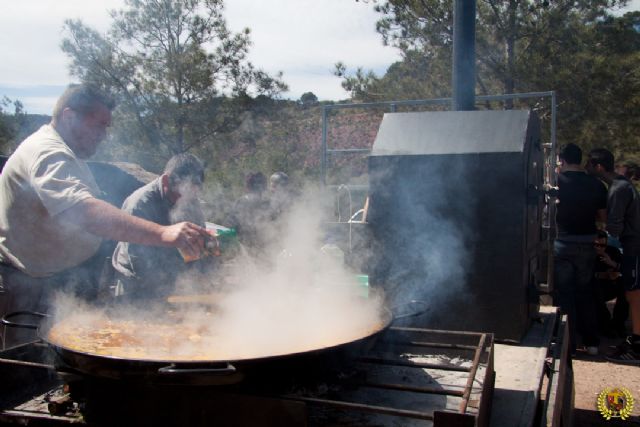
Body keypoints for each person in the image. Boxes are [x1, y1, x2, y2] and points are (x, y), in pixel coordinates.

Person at [0, 84, 209, 321]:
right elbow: (83, 210)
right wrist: (163, 233)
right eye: (99, 124)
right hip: (33, 288)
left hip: (64, 279)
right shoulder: (49, 152)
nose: (104, 134)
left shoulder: (65, 153)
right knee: (34, 355)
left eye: (107, 126)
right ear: (69, 117)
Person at [112, 153, 216, 301]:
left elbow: (199, 242)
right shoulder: (139, 204)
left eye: (192, 194)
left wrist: (208, 254)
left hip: (171, 279)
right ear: (167, 181)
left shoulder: (191, 201)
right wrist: (174, 282)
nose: (186, 201)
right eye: (182, 194)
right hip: (135, 283)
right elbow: (140, 260)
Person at [553, 143, 608, 355]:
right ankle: (592, 342)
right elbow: (602, 218)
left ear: (562, 160)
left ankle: (569, 344)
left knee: (565, 294)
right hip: (587, 243)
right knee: (585, 292)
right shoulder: (596, 184)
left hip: (562, 243)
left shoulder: (558, 183)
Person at [586, 148, 640, 365]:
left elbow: (615, 227)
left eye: (589, 165)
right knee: (631, 293)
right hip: (632, 245)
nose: (587, 169)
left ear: (599, 167)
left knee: (634, 293)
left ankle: (637, 346)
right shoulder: (622, 185)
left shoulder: (617, 189)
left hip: (634, 246)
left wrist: (596, 223)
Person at [592, 230, 628, 338]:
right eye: (596, 245)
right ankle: (605, 324)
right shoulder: (588, 254)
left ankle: (618, 322)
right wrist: (604, 275)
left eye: (602, 245)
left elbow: (624, 269)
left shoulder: (613, 252)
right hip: (594, 287)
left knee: (625, 286)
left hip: (610, 285)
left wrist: (612, 263)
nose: (599, 248)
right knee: (595, 287)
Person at [227, 172, 270, 255]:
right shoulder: (267, 203)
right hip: (264, 247)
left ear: (248, 186)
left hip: (244, 247)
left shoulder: (241, 202)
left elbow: (231, 225)